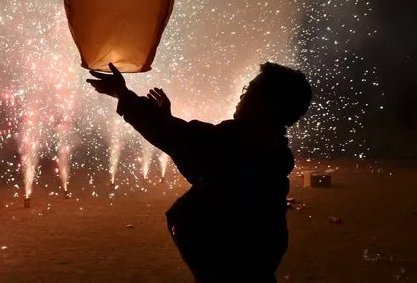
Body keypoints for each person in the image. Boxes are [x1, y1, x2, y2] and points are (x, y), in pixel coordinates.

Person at [87, 62, 312, 283]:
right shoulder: (267, 149)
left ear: (268, 105)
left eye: (249, 90)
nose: (242, 95)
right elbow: (194, 153)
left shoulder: (244, 145)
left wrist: (123, 94)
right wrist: (166, 120)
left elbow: (181, 139)